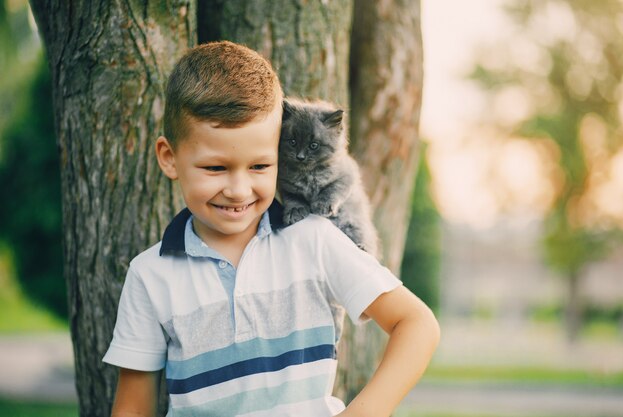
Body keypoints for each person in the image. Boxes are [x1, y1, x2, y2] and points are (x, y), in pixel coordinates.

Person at [103, 40, 440, 417]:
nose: (238, 189)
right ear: (170, 158)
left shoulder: (313, 239)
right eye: (215, 168)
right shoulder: (150, 275)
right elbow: (132, 408)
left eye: (260, 166)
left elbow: (417, 324)